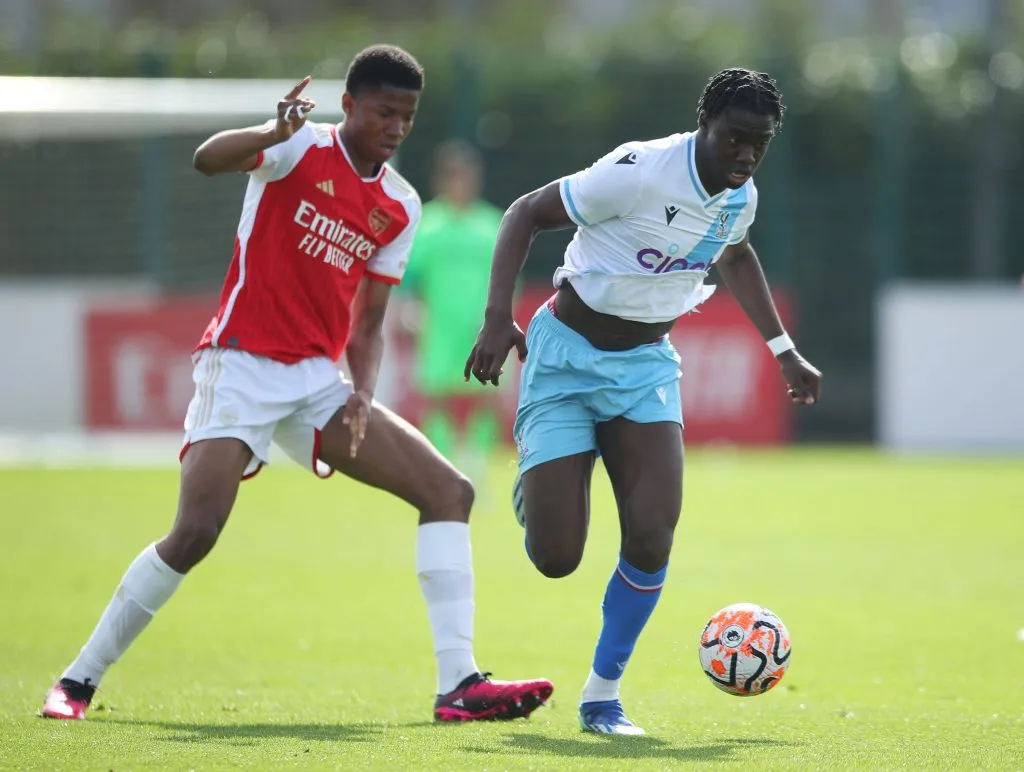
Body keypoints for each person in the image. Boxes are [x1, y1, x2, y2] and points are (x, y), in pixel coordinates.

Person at [41, 45, 552, 723]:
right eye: (383, 111)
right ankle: (78, 681)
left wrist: (363, 392)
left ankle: (459, 684)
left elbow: (369, 324)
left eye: (407, 115)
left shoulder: (399, 205)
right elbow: (206, 159)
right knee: (195, 531)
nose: (396, 126)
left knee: (448, 491)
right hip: (241, 363)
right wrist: (268, 132)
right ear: (349, 106)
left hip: (318, 380)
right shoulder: (296, 148)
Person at [464, 68, 822, 735]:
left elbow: (736, 258)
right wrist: (495, 317)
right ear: (704, 125)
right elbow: (524, 213)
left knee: (654, 532)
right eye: (735, 139)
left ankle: (602, 697)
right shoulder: (637, 170)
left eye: (760, 143)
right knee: (556, 557)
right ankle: (542, 485)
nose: (746, 155)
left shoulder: (739, 196)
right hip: (565, 361)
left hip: (645, 369)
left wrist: (783, 350)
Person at [401, 141, 504, 482]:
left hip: (481, 326)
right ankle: (443, 462)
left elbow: (506, 277)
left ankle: (475, 460)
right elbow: (408, 275)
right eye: (456, 176)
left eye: (469, 176)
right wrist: (408, 309)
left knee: (487, 395)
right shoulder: (427, 224)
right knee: (436, 396)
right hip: (438, 325)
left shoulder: (491, 223)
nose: (463, 183)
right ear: (443, 180)